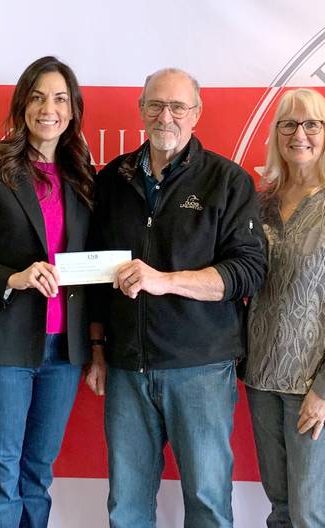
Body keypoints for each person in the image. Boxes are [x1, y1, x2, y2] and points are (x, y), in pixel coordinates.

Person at [84, 67, 266, 528]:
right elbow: (93, 274)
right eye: (155, 105)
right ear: (141, 110)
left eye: (178, 107)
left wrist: (164, 280)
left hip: (200, 369)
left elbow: (246, 271)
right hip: (126, 370)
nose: (166, 116)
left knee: (207, 501)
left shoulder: (227, 181)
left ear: (196, 114)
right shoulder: (113, 179)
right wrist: (99, 349)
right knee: (125, 506)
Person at [0, 56, 94, 528]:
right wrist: (13, 277)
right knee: (2, 476)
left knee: (37, 475)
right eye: (38, 96)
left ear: (72, 111)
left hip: (63, 351)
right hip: (2, 345)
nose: (49, 108)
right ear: (22, 104)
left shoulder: (82, 176)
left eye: (60, 99)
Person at [242, 88, 325, 527]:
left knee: (311, 514)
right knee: (281, 510)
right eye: (288, 124)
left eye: (311, 124)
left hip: (317, 388)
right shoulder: (259, 204)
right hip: (261, 380)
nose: (299, 134)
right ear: (276, 134)